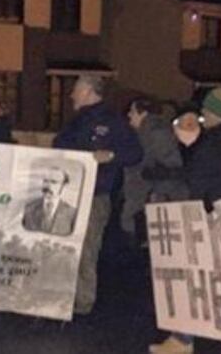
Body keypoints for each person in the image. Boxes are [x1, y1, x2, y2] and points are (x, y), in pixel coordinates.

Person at [149, 79, 221, 354]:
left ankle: (188, 341)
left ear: (218, 112)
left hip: (215, 220)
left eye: (207, 110)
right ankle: (192, 340)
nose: (203, 115)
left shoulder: (215, 142)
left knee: (200, 282)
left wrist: (188, 150)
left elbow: (198, 180)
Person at [52, 73, 143, 315]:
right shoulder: (75, 121)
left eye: (77, 89)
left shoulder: (112, 121)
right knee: (64, 245)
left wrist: (111, 155)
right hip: (68, 192)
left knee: (87, 247)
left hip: (94, 195)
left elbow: (134, 152)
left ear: (90, 91)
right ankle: (64, 295)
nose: (71, 94)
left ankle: (82, 302)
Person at [122, 97, 187, 245]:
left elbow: (171, 169)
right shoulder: (147, 132)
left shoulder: (156, 133)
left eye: (132, 111)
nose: (129, 115)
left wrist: (156, 194)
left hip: (151, 202)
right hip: (146, 200)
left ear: (143, 113)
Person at [22, 167, 77, 236]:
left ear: (63, 186)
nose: (48, 185)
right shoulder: (29, 208)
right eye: (45, 181)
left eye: (54, 182)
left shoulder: (72, 214)